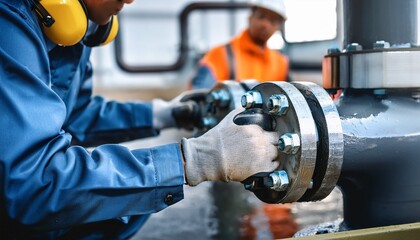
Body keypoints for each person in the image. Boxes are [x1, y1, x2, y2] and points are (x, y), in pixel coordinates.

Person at [0, 0, 280, 239]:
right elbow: (33, 181)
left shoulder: (74, 30)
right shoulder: (9, 23)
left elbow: (77, 116)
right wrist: (191, 160)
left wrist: (163, 115)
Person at [190, 0, 290, 90]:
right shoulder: (219, 55)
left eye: (273, 21)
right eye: (261, 16)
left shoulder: (280, 63)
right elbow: (200, 100)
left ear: (278, 27)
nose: (265, 25)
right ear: (250, 17)